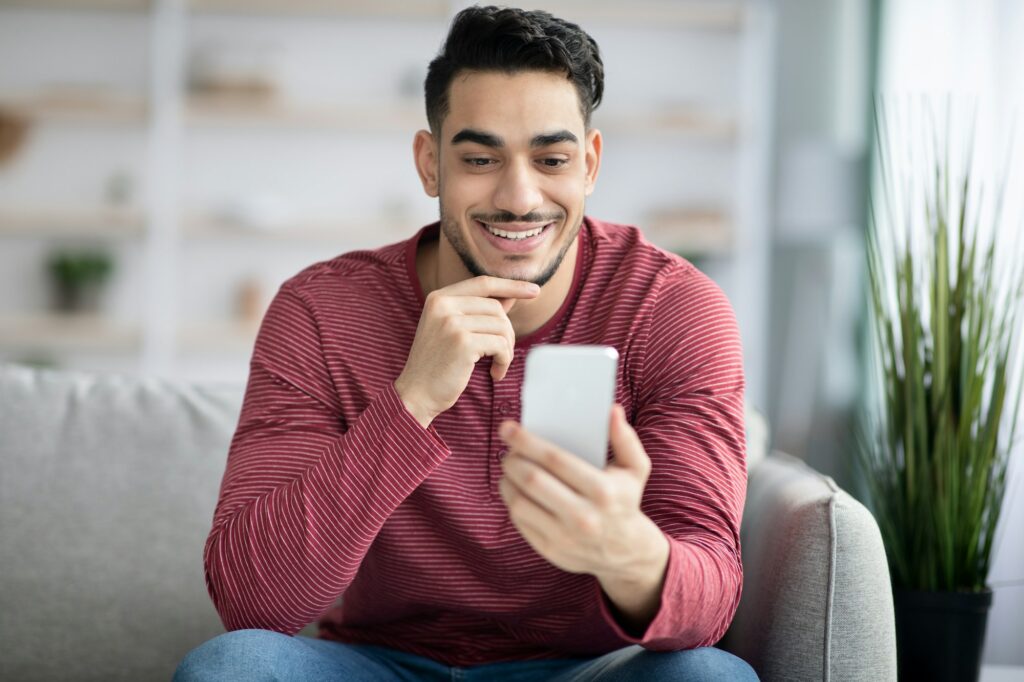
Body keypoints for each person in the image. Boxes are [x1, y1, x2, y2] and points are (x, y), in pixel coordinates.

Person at [175, 5, 756, 681]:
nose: (518, 196)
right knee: (230, 668)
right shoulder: (320, 311)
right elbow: (253, 601)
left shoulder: (674, 310)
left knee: (712, 679)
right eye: (480, 158)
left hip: (587, 669)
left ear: (590, 165)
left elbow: (709, 603)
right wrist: (410, 401)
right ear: (430, 165)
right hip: (375, 664)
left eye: (552, 159)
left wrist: (626, 551)